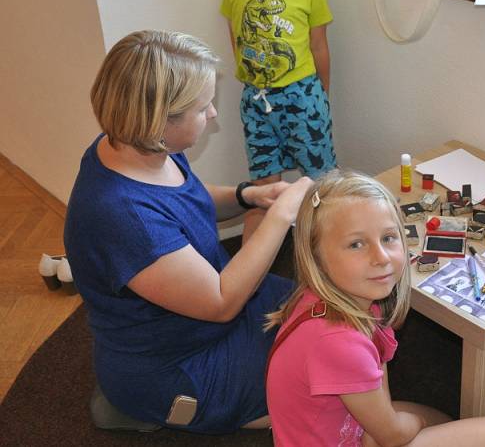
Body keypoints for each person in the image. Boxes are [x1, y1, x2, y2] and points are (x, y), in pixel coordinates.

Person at [64, 30, 313, 433]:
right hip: (176, 366)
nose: (212, 114)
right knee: (317, 378)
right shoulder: (122, 216)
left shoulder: (135, 147)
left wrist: (248, 196)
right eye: (202, 107)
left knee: (323, 310)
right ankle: (144, 408)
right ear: (158, 122)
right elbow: (221, 302)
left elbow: (182, 198)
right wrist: (281, 215)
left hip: (204, 306)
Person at [265, 170, 485, 446]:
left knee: (443, 420)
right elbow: (391, 435)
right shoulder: (338, 343)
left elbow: (381, 400)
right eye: (356, 244)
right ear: (317, 257)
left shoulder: (336, 299)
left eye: (388, 237)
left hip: (342, 429)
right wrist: (416, 426)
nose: (381, 257)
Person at [220, 0, 336, 243]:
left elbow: (319, 45)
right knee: (263, 187)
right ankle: (254, 263)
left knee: (321, 182)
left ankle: (326, 252)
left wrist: (322, 95)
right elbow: (236, 36)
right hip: (257, 100)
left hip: (303, 96)